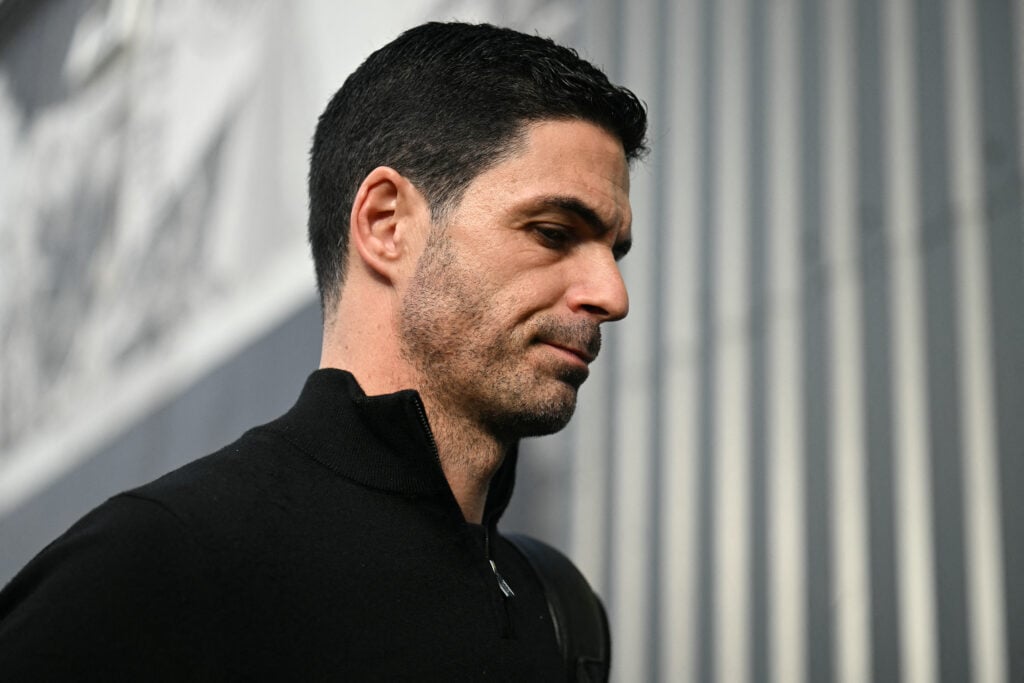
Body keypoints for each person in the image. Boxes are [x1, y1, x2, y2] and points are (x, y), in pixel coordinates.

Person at [0, 21, 647, 680]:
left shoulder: (561, 613)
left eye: (614, 251)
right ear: (386, 225)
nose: (612, 295)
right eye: (553, 232)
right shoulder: (150, 570)